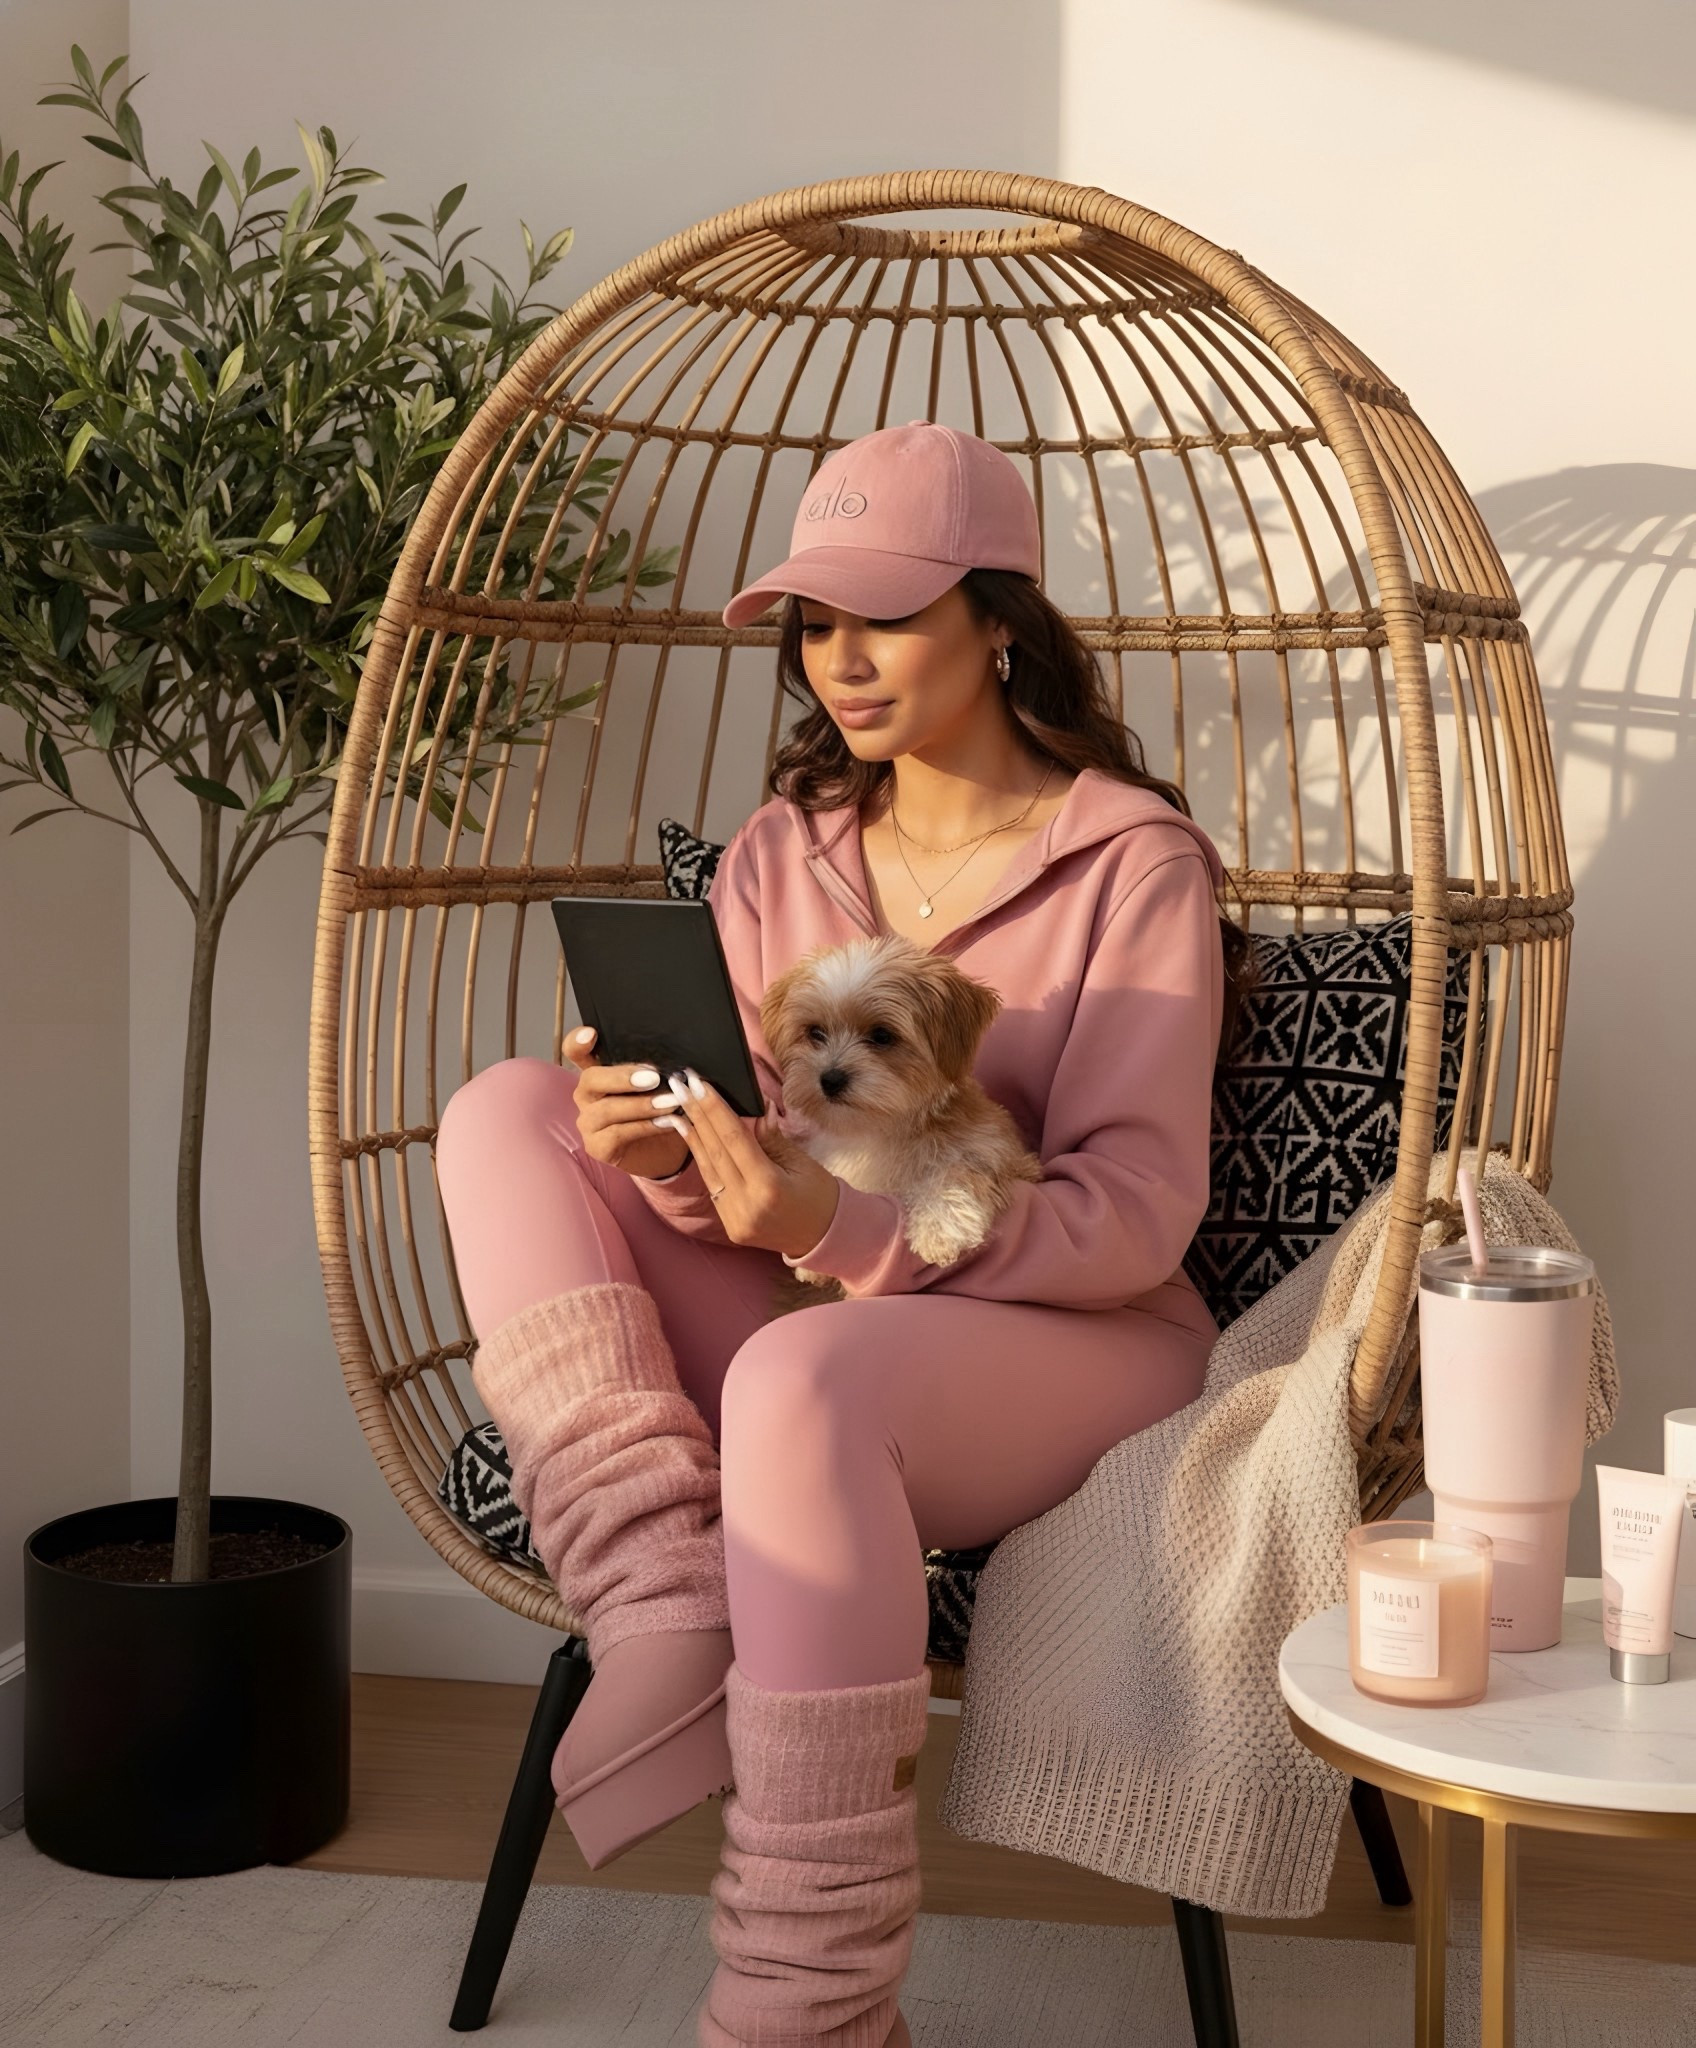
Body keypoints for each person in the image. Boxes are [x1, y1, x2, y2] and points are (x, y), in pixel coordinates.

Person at [435, 421, 1245, 2048]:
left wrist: (841, 1234)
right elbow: (743, 1171)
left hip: (1074, 1348)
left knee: (808, 1384)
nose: (840, 660)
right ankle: (662, 1591)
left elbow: (1137, 1210)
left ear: (998, 621)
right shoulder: (779, 851)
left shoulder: (1131, 863)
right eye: (815, 624)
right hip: (814, 1316)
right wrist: (666, 1154)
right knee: (505, 1107)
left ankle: (805, 2012)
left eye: (883, 616)